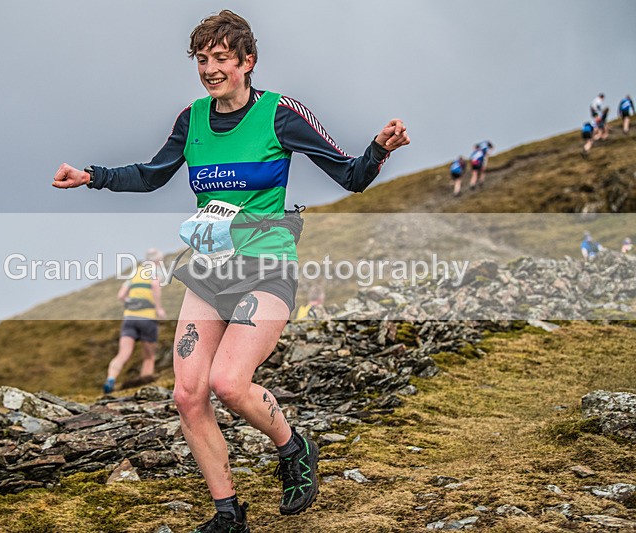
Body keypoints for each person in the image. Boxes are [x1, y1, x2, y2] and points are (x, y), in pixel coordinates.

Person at [52, 10, 409, 532]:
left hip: (267, 267)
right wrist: (93, 176)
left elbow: (350, 175)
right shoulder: (191, 118)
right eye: (202, 59)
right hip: (208, 270)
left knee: (228, 381)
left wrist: (379, 149)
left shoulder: (279, 113)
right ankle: (229, 516)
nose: (210, 69)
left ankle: (293, 448)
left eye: (221, 58)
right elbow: (153, 176)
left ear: (248, 61)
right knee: (187, 393)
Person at [103, 248, 167, 394]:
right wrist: (159, 309)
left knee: (123, 354)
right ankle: (144, 388)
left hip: (130, 318)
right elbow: (156, 287)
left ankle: (111, 379)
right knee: (149, 357)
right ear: (157, 260)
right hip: (147, 317)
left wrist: (131, 302)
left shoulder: (136, 272)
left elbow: (121, 295)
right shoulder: (156, 271)